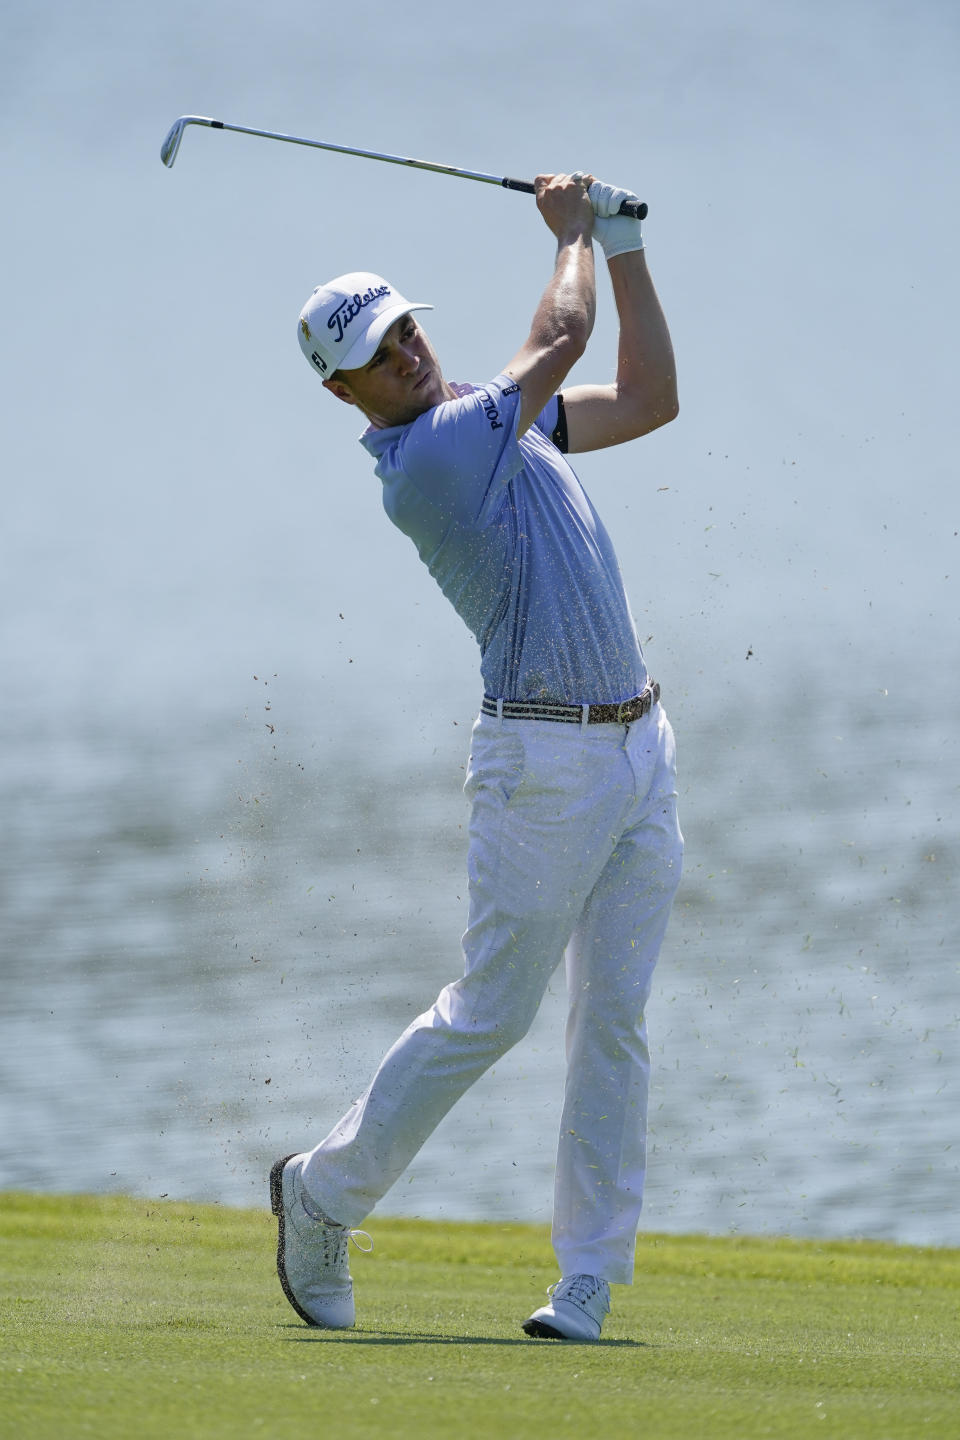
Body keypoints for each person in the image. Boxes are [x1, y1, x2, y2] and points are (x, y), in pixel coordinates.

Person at [272, 171, 683, 1342]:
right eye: (373, 350)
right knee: (493, 1013)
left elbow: (650, 399)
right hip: (541, 766)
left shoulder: (505, 420)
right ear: (342, 390)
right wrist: (569, 236)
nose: (402, 351)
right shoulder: (437, 456)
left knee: (613, 1019)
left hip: (640, 747)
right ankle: (319, 1194)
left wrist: (626, 242)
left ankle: (590, 1279)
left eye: (404, 326)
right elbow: (562, 329)